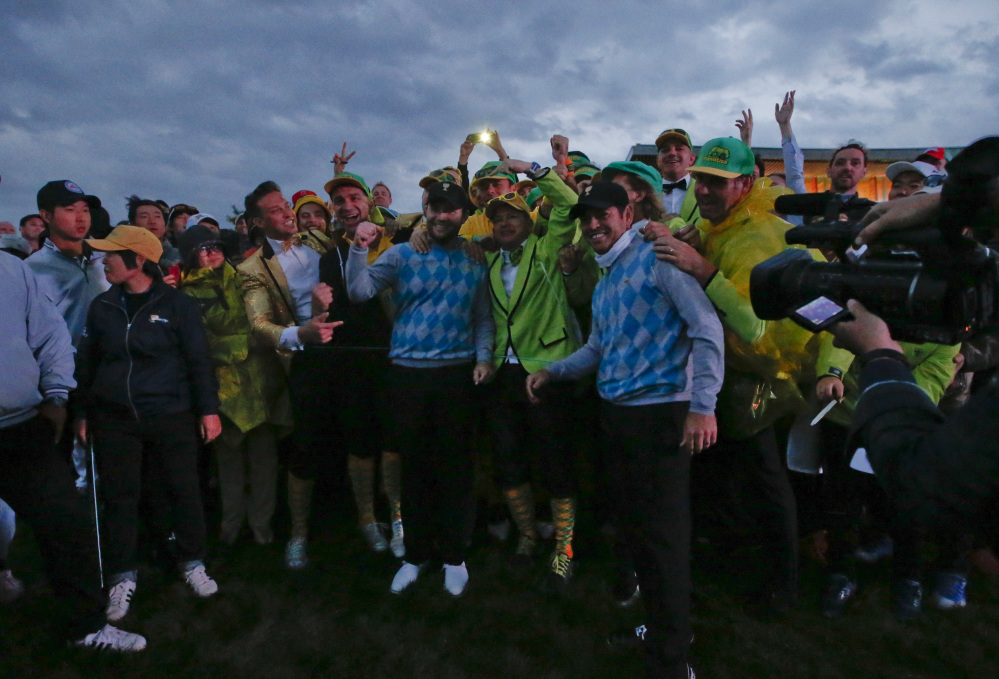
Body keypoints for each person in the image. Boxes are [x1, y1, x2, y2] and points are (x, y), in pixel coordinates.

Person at [527, 181, 724, 679]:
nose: (593, 225)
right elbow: (597, 347)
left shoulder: (659, 256)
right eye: (586, 217)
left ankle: (672, 660)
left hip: (661, 417)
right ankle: (661, 630)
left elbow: (706, 326)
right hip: (618, 417)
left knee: (663, 541)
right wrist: (555, 370)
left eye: (602, 215)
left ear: (625, 211)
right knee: (639, 537)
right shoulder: (608, 276)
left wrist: (703, 406)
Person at [653, 136, 854, 612]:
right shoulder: (722, 217)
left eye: (716, 182)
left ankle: (783, 586)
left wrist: (704, 270)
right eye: (699, 178)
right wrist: (689, 233)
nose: (702, 190)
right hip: (735, 369)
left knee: (766, 477)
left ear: (745, 184)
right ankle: (739, 555)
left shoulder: (758, 239)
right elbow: (696, 222)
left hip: (768, 374)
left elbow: (755, 325)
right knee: (733, 471)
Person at [347, 180, 494, 598]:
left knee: (455, 471)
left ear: (463, 214)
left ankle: (454, 557)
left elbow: (483, 316)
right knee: (413, 471)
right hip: (408, 376)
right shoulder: (404, 252)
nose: (441, 215)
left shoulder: (474, 256)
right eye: (434, 207)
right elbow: (358, 292)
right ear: (424, 210)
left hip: (456, 375)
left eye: (450, 209)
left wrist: (484, 358)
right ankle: (415, 555)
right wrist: (360, 247)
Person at [74, 225, 222, 622]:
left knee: (183, 490)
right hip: (115, 418)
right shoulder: (102, 306)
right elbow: (87, 364)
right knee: (120, 497)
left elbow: (198, 361)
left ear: (138, 260)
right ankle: (122, 575)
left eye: (111, 253)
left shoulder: (178, 305)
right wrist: (83, 412)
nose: (102, 259)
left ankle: (192, 561)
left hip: (170, 414)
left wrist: (209, 410)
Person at [0, 251, 146, 651]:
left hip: (18, 422)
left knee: (65, 523)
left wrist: (58, 393)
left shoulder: (12, 269)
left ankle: (85, 627)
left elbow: (49, 334)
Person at [477, 160, 584, 590]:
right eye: (498, 218)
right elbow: (488, 318)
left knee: (557, 461)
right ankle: (526, 535)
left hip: (548, 371)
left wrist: (535, 169)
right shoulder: (486, 262)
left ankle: (565, 546)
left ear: (528, 220)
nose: (504, 223)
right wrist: (486, 358)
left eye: (512, 216)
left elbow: (570, 203)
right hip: (504, 374)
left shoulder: (546, 248)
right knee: (509, 459)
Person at [237, 181, 341, 569]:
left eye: (287, 206)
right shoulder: (251, 267)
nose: (288, 213)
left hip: (347, 347)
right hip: (305, 357)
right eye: (277, 210)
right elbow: (258, 326)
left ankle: (359, 517)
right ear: (259, 222)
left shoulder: (317, 238)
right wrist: (303, 333)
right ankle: (298, 532)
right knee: (305, 447)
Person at [307, 171, 406, 555]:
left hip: (395, 359)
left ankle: (398, 517)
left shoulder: (400, 244)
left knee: (395, 443)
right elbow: (335, 307)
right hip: (350, 363)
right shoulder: (330, 257)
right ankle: (367, 517)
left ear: (370, 203)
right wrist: (318, 306)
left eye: (354, 198)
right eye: (339, 201)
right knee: (361, 445)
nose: (347, 206)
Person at [178, 225, 285, 547]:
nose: (212, 253)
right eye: (202, 248)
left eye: (216, 246)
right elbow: (202, 344)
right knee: (229, 467)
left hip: (262, 385)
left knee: (265, 463)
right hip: (223, 394)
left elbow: (264, 315)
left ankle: (262, 526)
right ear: (189, 256)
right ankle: (231, 527)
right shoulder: (185, 296)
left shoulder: (243, 278)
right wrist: (251, 343)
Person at [654, 128, 700, 224]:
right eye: (665, 150)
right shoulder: (646, 193)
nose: (672, 153)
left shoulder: (706, 190)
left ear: (692, 159)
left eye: (679, 149)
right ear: (658, 161)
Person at [128, 196, 182, 266]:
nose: (152, 221)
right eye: (144, 217)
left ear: (165, 225)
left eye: (157, 217)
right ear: (132, 224)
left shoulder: (180, 257)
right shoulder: (122, 257)